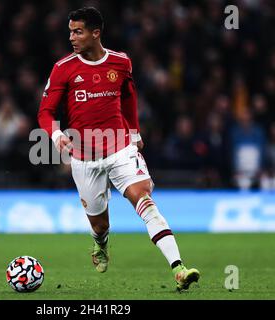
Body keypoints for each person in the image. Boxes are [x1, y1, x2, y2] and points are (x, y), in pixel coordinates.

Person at [37, 7, 200, 291]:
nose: (72, 38)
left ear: (95, 33)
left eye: (78, 31)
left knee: (144, 199)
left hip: (120, 148)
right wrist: (56, 134)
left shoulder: (121, 62)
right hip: (84, 157)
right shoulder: (63, 68)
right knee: (100, 225)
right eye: (70, 31)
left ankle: (179, 268)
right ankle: (100, 244)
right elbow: (45, 112)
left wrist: (134, 132)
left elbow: (129, 97)